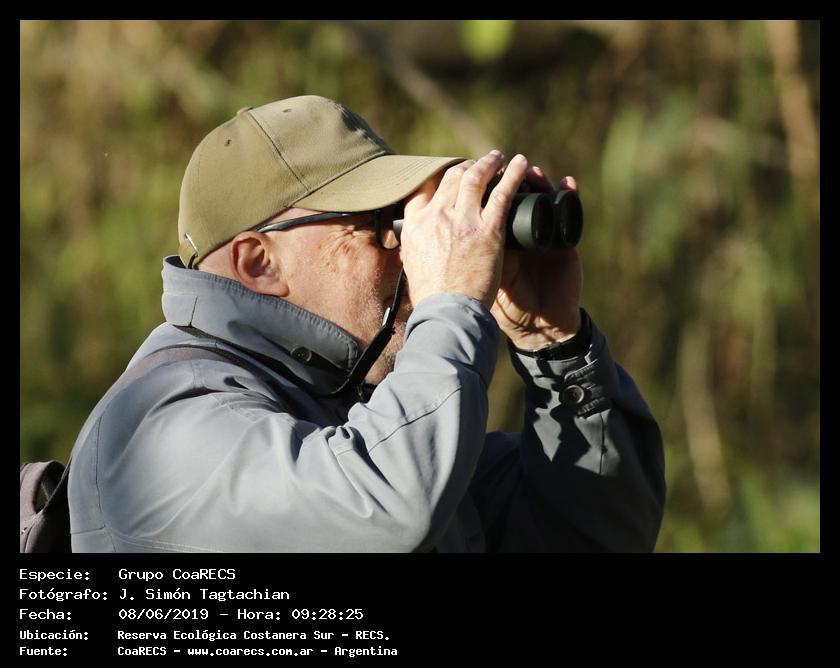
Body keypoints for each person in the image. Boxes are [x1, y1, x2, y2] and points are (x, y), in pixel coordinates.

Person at [67, 95, 665, 552]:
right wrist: (450, 303)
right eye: (380, 225)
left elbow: (600, 533)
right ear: (258, 262)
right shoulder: (161, 428)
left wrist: (554, 348)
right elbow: (382, 510)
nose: (409, 251)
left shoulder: (364, 411)